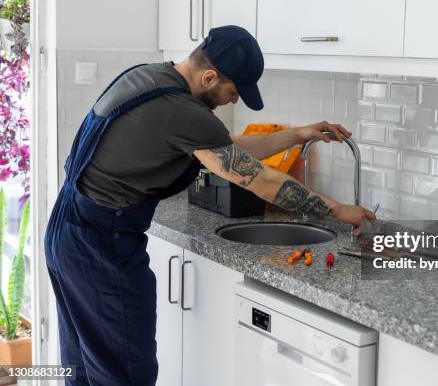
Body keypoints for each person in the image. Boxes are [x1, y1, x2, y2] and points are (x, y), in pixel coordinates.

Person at [44, 25, 376, 385]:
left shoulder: (151, 77)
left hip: (70, 231)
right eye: (232, 92)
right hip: (101, 245)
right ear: (209, 76)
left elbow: (224, 150)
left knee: (83, 370)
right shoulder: (181, 110)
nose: (233, 101)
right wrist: (339, 210)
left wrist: (297, 135)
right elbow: (261, 180)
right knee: (125, 374)